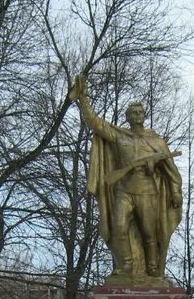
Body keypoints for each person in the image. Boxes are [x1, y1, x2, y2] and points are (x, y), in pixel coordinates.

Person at [68, 74, 182, 286]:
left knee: (150, 233)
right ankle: (126, 266)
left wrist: (175, 192)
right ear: (128, 117)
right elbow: (94, 122)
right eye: (133, 112)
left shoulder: (156, 141)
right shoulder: (119, 136)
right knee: (118, 227)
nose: (138, 115)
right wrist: (83, 99)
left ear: (144, 116)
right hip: (123, 190)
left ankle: (153, 271)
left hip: (147, 191)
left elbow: (170, 170)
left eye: (140, 112)